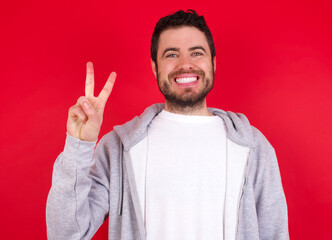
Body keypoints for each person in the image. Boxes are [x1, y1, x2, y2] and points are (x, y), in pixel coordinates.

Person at [46, 9, 289, 240]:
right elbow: (67, 234)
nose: (185, 64)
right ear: (155, 67)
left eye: (196, 53)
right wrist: (79, 145)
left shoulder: (253, 147)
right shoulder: (118, 149)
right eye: (171, 54)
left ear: (213, 63)